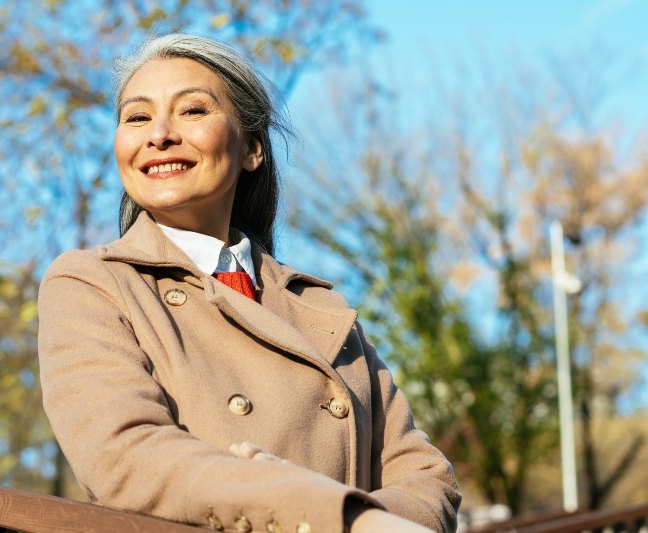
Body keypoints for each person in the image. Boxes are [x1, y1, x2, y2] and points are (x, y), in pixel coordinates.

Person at [38, 33, 461, 532]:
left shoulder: (323, 307)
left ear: (252, 148)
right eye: (137, 117)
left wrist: (362, 522)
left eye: (192, 110)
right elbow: (125, 457)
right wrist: (329, 513)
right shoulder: (91, 284)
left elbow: (427, 478)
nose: (159, 134)